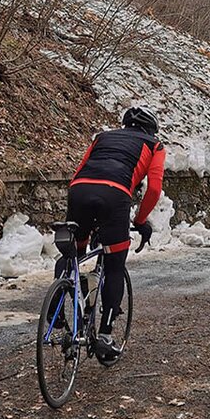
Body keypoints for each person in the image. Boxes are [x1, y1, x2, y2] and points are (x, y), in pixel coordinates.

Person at [58, 106, 165, 364]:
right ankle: (105, 335)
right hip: (115, 195)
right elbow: (154, 189)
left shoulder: (102, 137)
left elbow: (79, 170)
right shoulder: (154, 145)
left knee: (74, 251)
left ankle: (56, 315)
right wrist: (140, 221)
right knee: (115, 264)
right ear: (151, 129)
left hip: (79, 189)